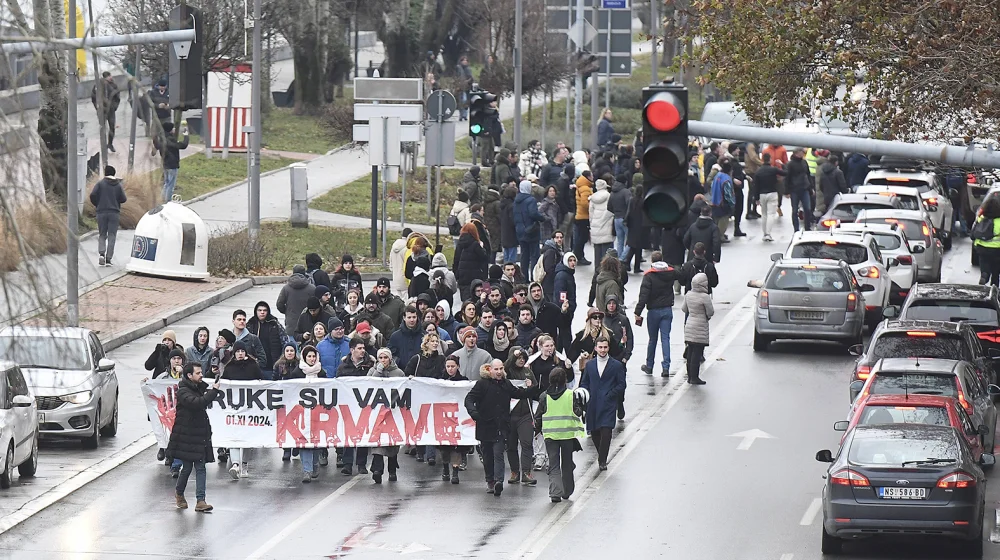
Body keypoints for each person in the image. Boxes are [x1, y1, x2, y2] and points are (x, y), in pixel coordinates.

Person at [465, 359, 537, 497]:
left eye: (500, 369)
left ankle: (499, 481)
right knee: (487, 456)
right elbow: (468, 399)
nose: (498, 372)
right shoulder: (482, 384)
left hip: (501, 426)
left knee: (498, 453)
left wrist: (533, 388)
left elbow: (519, 394)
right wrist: (474, 413)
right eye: (496, 369)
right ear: (490, 370)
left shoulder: (506, 384)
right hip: (485, 425)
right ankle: (490, 481)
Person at [167, 363, 219, 512]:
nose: (201, 375)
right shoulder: (183, 391)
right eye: (198, 373)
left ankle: (200, 500)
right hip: (186, 437)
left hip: (199, 435)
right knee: (187, 468)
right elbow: (198, 403)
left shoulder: (195, 387)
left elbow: (201, 389)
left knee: (201, 467)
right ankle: (179, 492)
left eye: (201, 372)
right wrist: (214, 391)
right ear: (189, 376)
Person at [532, 367, 585, 501]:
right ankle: (567, 490)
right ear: (564, 380)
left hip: (550, 436)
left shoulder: (544, 396)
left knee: (554, 464)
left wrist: (536, 431)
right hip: (567, 436)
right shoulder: (569, 395)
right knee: (567, 464)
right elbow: (578, 412)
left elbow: (538, 416)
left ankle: (555, 493)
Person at [579, 337, 625, 470]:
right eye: (600, 347)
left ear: (608, 348)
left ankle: (602, 460)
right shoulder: (590, 365)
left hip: (608, 404)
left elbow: (621, 384)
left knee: (606, 431)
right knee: (594, 432)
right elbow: (584, 382)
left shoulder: (616, 365)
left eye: (605, 347)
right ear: (595, 348)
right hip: (592, 404)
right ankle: (602, 454)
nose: (603, 350)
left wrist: (610, 395)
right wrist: (585, 395)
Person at [635, 251, 684, 377]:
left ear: (652, 261)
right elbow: (681, 274)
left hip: (653, 311)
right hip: (667, 309)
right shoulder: (670, 272)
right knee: (665, 338)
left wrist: (638, 312)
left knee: (652, 339)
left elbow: (643, 296)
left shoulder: (649, 276)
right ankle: (666, 367)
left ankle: (649, 365)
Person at [221, 341, 262, 480]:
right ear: (234, 353)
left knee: (246, 438)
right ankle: (235, 465)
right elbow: (222, 385)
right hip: (233, 409)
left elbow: (261, 383)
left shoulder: (253, 366)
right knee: (234, 437)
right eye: (237, 351)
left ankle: (244, 463)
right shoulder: (229, 368)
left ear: (245, 353)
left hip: (250, 408)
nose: (240, 354)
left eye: (242, 351)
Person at [285, 345, 326, 481]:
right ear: (304, 357)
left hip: (317, 412)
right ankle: (306, 470)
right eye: (309, 356)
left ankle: (314, 465)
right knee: (304, 441)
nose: (312, 359)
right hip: (302, 413)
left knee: (315, 440)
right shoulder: (297, 373)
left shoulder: (322, 373)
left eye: (314, 356)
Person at [337, 338, 374, 474]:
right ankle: (347, 464)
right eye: (359, 348)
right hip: (348, 406)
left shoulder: (369, 365)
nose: (363, 351)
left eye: (363, 348)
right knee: (348, 434)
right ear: (352, 350)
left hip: (364, 406)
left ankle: (361, 464)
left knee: (363, 434)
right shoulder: (343, 367)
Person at [368, 348, 405, 484]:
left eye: (385, 358)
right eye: (380, 358)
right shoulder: (373, 372)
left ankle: (392, 469)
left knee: (392, 442)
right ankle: (377, 469)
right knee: (378, 441)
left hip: (393, 412)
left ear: (390, 359)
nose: (383, 360)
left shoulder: (398, 373)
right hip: (377, 412)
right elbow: (369, 385)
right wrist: (378, 371)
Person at [504, 347, 539, 486]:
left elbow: (536, 390)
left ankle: (526, 472)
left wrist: (531, 386)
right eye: (518, 358)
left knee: (526, 443)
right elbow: (506, 366)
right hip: (511, 414)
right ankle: (514, 471)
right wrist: (514, 354)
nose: (521, 360)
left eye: (523, 358)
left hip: (525, 414)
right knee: (511, 445)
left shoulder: (528, 372)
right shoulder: (507, 372)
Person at [439, 355, 469, 482]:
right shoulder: (439, 381)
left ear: (458, 366)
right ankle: (445, 467)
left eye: (453, 366)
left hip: (458, 417)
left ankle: (455, 472)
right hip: (443, 416)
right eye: (448, 366)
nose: (450, 369)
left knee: (457, 444)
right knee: (444, 445)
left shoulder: (464, 380)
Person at [89, 165, 126, 267]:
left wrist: (97, 204)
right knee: (112, 235)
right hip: (114, 213)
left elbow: (92, 195)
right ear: (114, 173)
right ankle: (109, 259)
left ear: (105, 173)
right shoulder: (118, 185)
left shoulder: (100, 184)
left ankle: (101, 254)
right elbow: (123, 199)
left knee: (102, 234)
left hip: (101, 212)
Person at [682, 273, 714, 385]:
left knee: (690, 351)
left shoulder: (688, 294)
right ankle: (695, 377)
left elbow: (684, 308)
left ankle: (690, 376)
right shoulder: (705, 297)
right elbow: (710, 312)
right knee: (697, 352)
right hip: (700, 326)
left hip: (690, 324)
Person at [153, 122, 189, 202]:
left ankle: (162, 199)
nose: (174, 129)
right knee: (170, 185)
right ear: (170, 130)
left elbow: (156, 145)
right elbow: (183, 145)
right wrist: (186, 136)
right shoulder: (170, 140)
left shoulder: (162, 139)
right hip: (172, 165)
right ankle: (167, 201)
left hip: (165, 164)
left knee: (166, 183)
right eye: (173, 128)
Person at [754, 153, 787, 242]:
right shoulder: (773, 170)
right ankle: (768, 234)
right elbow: (786, 173)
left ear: (762, 159)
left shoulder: (758, 171)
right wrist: (782, 165)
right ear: (770, 159)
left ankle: (764, 233)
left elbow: (756, 186)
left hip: (762, 194)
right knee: (771, 214)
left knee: (764, 214)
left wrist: (756, 198)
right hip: (772, 193)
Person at [247, 301, 286, 375]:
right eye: (260, 310)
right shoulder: (250, 325)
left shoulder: (275, 324)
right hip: (255, 363)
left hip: (273, 363)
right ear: (256, 312)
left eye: (265, 310)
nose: (262, 312)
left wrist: (281, 359)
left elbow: (285, 341)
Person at [454, 223, 489, 302]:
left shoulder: (459, 244)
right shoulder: (476, 245)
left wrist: (457, 275)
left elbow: (456, 261)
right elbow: (484, 259)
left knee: (466, 302)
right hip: (476, 277)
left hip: (463, 278)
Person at [277, 265, 314, 334]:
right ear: (304, 273)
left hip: (291, 324)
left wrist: (287, 312)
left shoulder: (286, 288)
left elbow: (279, 304)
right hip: (308, 324)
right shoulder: (312, 288)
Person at [552, 252, 578, 350]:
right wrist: (566, 308)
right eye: (570, 260)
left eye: (574, 260)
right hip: (564, 311)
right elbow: (561, 295)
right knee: (566, 337)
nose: (573, 263)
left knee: (562, 338)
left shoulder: (568, 273)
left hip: (567, 310)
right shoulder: (562, 276)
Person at [91, 71, 121, 151]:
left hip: (111, 110)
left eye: (110, 76)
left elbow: (117, 97)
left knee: (112, 127)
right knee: (102, 127)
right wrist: (97, 107)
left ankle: (110, 144)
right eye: (108, 77)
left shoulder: (113, 85)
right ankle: (103, 145)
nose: (110, 78)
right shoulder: (98, 86)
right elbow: (93, 97)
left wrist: (114, 107)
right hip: (101, 110)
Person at [974, 196, 1000, 285]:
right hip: (997, 250)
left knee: (984, 266)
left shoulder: (981, 218)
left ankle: (984, 276)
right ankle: (994, 289)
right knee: (996, 272)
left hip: (982, 248)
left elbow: (973, 232)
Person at [786, 148, 813, 232]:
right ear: (796, 153)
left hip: (805, 188)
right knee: (794, 210)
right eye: (802, 152)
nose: (803, 154)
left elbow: (808, 175)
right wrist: (787, 191)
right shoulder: (790, 164)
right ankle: (796, 229)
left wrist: (810, 187)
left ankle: (807, 227)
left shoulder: (804, 162)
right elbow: (787, 178)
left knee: (807, 209)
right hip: (794, 190)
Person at [589, 178, 615, 263]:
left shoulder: (593, 198)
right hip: (607, 224)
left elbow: (591, 213)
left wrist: (592, 223)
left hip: (595, 226)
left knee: (597, 250)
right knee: (607, 251)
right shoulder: (609, 196)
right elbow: (611, 210)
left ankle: (597, 269)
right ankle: (606, 268)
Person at [710, 160, 735, 240]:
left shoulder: (717, 175)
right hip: (723, 203)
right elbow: (727, 193)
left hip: (714, 201)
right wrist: (732, 203)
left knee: (716, 220)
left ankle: (716, 235)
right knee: (723, 221)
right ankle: (719, 236)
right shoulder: (726, 179)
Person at [573, 171, 595, 265]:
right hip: (584, 217)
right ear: (588, 177)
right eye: (592, 175)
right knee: (582, 238)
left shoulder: (581, 186)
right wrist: (592, 207)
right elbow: (584, 203)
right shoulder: (585, 188)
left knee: (579, 238)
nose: (593, 177)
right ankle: (579, 256)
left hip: (579, 216)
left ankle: (578, 255)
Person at [390, 229, 413, 297]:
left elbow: (391, 265)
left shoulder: (394, 247)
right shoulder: (407, 249)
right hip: (405, 280)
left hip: (396, 279)